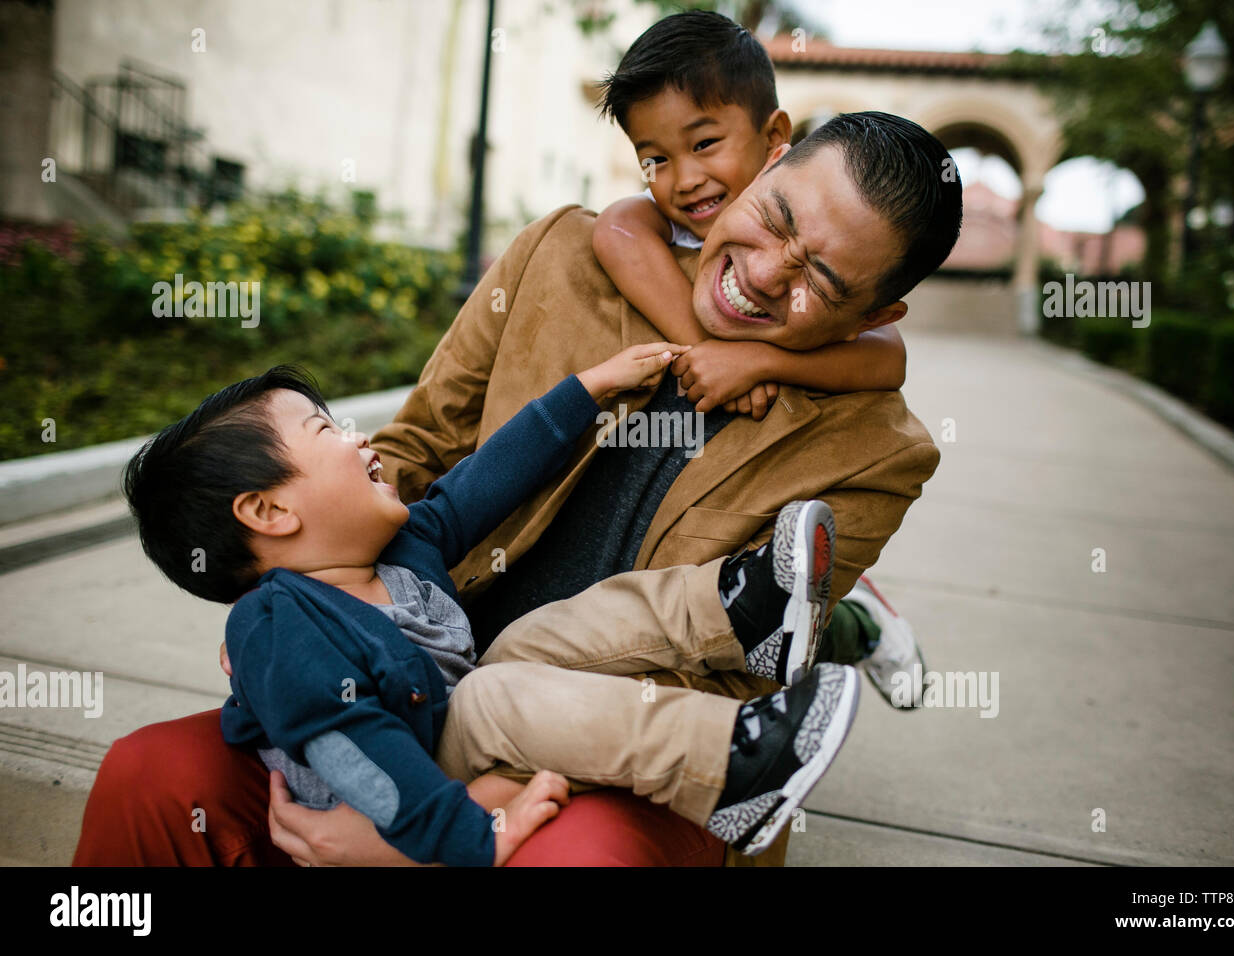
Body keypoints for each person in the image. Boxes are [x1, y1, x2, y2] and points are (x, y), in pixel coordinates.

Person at [74, 96, 961, 868]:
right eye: (776, 218)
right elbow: (415, 456)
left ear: (876, 317)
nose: (765, 272)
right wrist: (278, 601)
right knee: (151, 778)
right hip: (396, 710)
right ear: (768, 164)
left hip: (601, 739)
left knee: (584, 856)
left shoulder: (879, 452)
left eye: (819, 279)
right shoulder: (564, 259)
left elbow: (734, 681)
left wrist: (454, 826)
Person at [118, 354, 862, 863]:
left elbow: (489, 478)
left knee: (555, 626)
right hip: (403, 790)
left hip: (453, 728)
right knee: (496, 693)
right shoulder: (277, 627)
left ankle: (745, 615)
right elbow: (345, 747)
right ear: (270, 511)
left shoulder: (404, 549)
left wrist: (587, 389)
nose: (359, 438)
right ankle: (734, 767)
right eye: (327, 432)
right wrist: (472, 835)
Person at [590, 10, 929, 702]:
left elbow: (887, 357)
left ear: (775, 139)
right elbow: (615, 230)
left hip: (770, 516)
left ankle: (862, 626)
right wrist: (706, 344)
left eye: (706, 143)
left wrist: (763, 362)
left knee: (784, 632)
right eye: (654, 158)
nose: (683, 180)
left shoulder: (806, 218)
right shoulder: (657, 227)